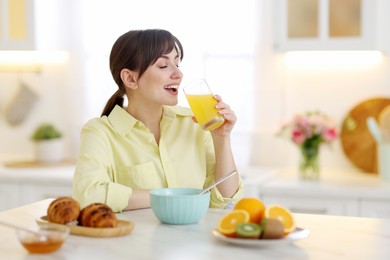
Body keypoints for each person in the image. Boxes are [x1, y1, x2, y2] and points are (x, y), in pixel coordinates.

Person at [73, 29, 243, 212]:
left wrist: (221, 138)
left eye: (177, 64)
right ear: (130, 78)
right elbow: (88, 195)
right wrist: (168, 196)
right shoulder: (100, 132)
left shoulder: (195, 124)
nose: (178, 74)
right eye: (163, 66)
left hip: (194, 240)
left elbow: (224, 201)